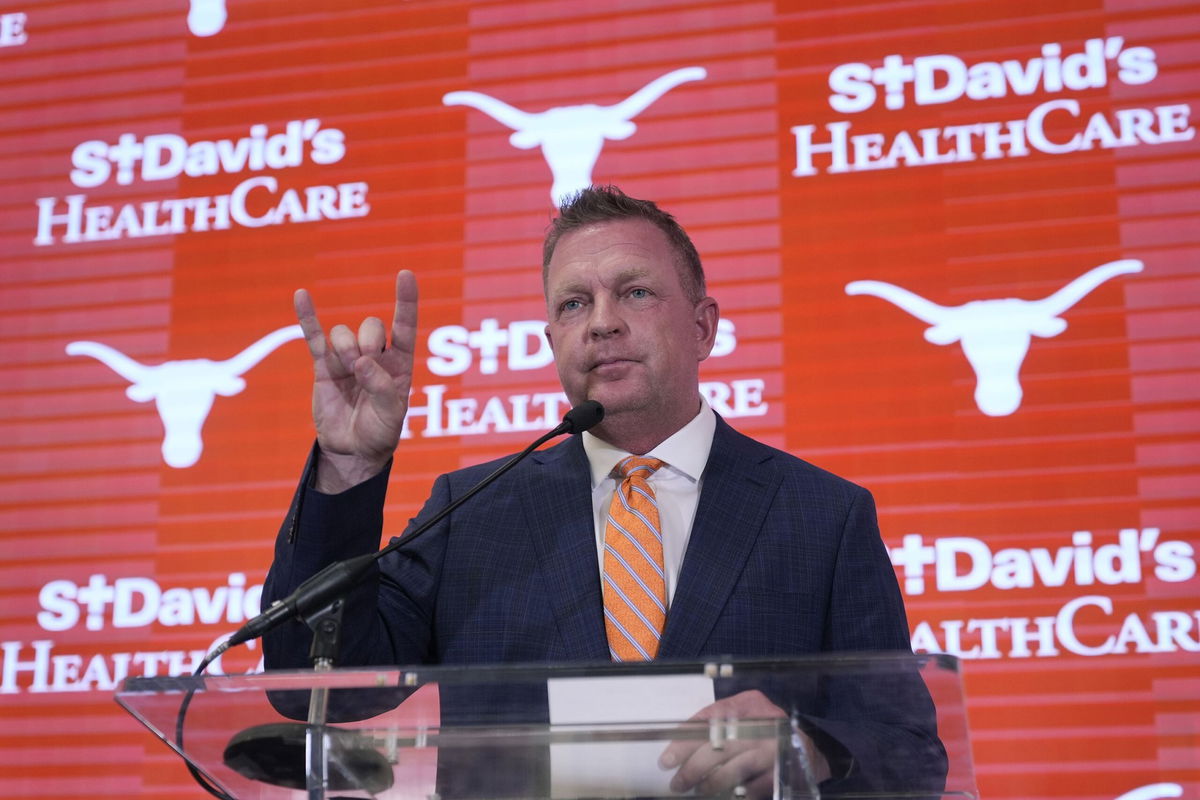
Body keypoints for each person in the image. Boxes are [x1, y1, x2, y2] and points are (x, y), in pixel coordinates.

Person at [262, 186, 943, 797]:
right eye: (574, 303)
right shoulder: (472, 513)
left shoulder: (822, 517)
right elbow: (321, 691)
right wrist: (348, 464)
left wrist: (809, 746)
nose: (602, 322)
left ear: (703, 327)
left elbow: (911, 753)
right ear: (553, 338)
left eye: (635, 293)